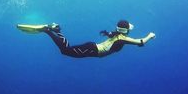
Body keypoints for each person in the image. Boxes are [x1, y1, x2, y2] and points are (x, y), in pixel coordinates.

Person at [17, 20, 156, 58]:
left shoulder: (116, 34)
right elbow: (141, 42)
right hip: (93, 51)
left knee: (66, 50)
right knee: (65, 51)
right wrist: (150, 35)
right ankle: (48, 30)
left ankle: (55, 30)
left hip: (92, 47)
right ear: (127, 31)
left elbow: (116, 33)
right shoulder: (123, 38)